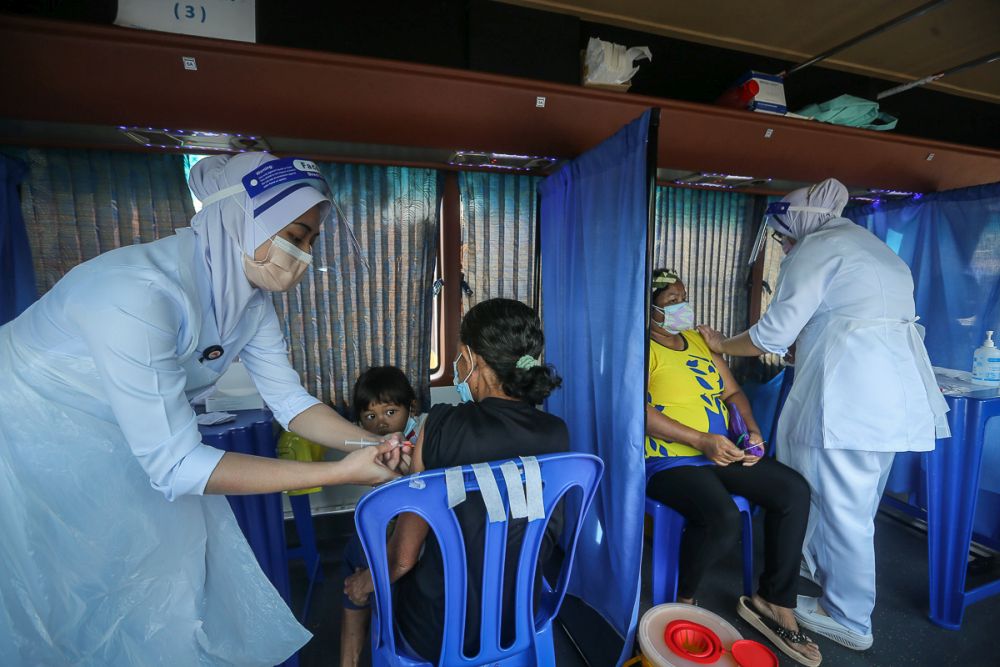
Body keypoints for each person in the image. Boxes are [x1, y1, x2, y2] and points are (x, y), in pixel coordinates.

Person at [0, 152, 407, 666]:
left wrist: (377, 444)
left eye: (310, 241)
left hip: (121, 440)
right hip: (26, 438)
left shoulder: (248, 303)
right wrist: (339, 470)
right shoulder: (136, 294)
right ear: (241, 219)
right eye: (294, 236)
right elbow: (177, 465)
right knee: (51, 592)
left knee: (154, 584)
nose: (303, 256)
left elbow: (291, 404)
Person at [698, 178, 948, 651]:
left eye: (783, 237)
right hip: (892, 399)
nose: (783, 246)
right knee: (856, 503)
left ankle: (850, 618)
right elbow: (851, 320)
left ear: (797, 225)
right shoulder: (875, 249)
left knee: (843, 510)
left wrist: (720, 344)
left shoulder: (817, 249)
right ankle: (820, 576)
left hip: (851, 402)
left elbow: (770, 335)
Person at [344, 298, 568, 663]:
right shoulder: (557, 433)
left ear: (471, 358)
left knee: (359, 555)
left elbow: (402, 559)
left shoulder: (440, 425)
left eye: (458, 357)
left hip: (436, 631)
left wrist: (362, 584)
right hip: (518, 619)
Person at [644, 269, 821, 667]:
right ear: (648, 307)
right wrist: (700, 440)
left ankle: (774, 600)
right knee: (721, 517)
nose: (682, 306)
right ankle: (684, 601)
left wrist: (752, 432)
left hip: (720, 451)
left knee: (792, 491)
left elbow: (733, 392)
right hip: (669, 461)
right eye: (672, 301)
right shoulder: (640, 348)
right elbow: (637, 410)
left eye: (683, 297)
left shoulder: (696, 341)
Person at [340, 365, 421, 667]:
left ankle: (350, 658)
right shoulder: (372, 448)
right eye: (370, 417)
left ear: (412, 408)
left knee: (356, 555)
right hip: (393, 528)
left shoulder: (421, 437)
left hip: (414, 533)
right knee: (358, 550)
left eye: (390, 412)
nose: (382, 423)